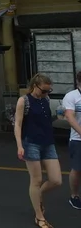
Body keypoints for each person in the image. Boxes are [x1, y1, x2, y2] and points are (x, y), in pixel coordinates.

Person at [14, 73, 62, 228]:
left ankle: (38, 195)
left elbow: (47, 119)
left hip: (48, 142)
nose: (46, 94)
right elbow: (18, 124)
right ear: (35, 86)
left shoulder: (45, 99)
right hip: (31, 143)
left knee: (56, 180)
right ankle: (39, 216)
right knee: (36, 180)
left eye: (49, 91)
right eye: (44, 91)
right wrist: (20, 145)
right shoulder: (24, 101)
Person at [63, 71, 81, 210]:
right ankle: (74, 196)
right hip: (77, 139)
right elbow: (70, 117)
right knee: (77, 169)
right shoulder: (71, 96)